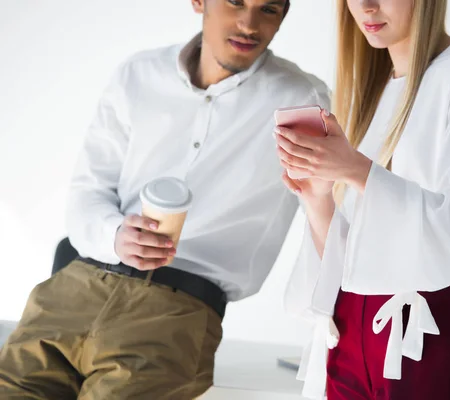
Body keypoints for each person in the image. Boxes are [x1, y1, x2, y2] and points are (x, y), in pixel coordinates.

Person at [0, 0, 329, 398]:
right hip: (73, 287)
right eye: (235, 2)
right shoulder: (138, 75)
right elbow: (88, 190)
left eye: (269, 9)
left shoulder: (302, 101)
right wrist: (116, 234)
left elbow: (331, 209)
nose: (248, 23)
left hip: (176, 310)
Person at [277, 0, 450, 399]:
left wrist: (357, 170)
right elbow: (350, 260)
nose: (367, 7)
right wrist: (318, 196)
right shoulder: (378, 88)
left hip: (428, 335)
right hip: (351, 336)